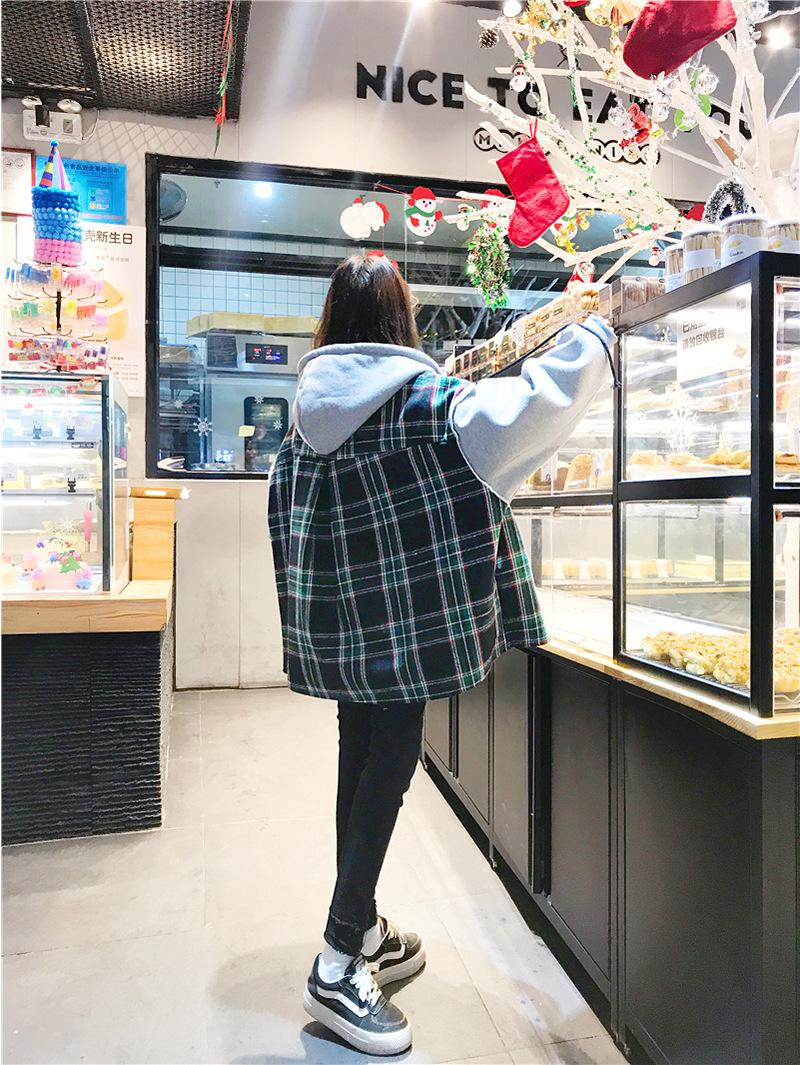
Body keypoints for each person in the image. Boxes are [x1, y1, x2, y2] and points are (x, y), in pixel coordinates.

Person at [267, 253, 615, 1056]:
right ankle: (336, 959)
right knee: (389, 768)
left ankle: (362, 926)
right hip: (411, 624)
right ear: (400, 320)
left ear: (333, 321)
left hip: (350, 625)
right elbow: (530, 409)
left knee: (360, 756)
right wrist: (595, 335)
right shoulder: (430, 404)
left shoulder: (307, 416)